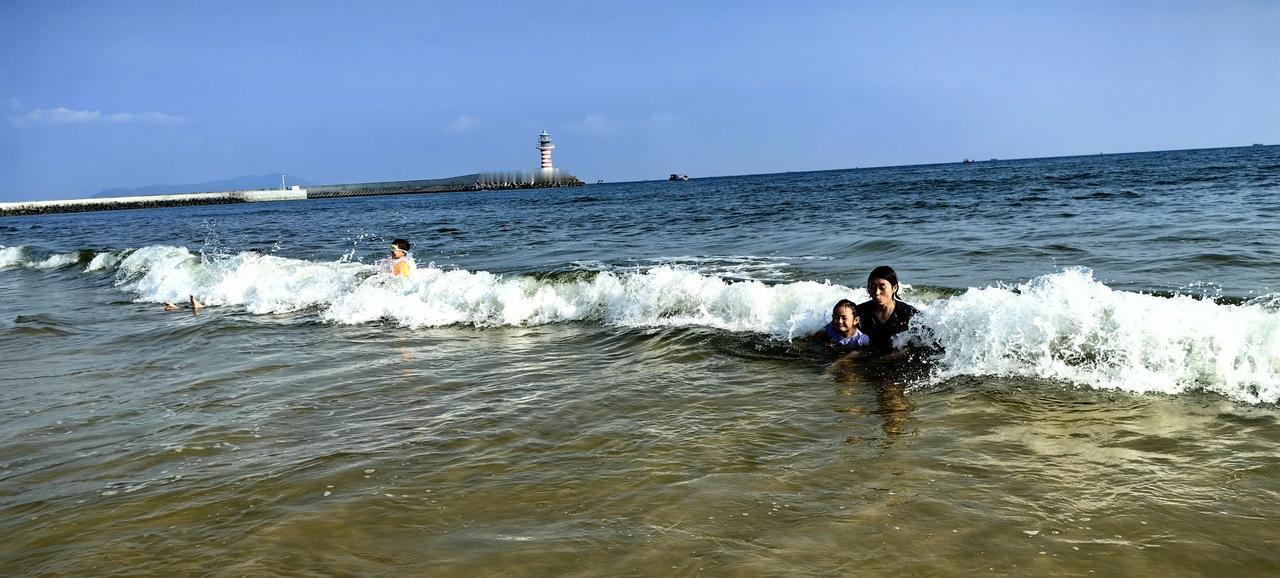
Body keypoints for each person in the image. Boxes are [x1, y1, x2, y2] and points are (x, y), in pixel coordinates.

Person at [854, 265, 918, 352]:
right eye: (873, 287)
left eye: (882, 287)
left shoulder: (909, 314)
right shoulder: (859, 312)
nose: (877, 292)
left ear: (894, 288)